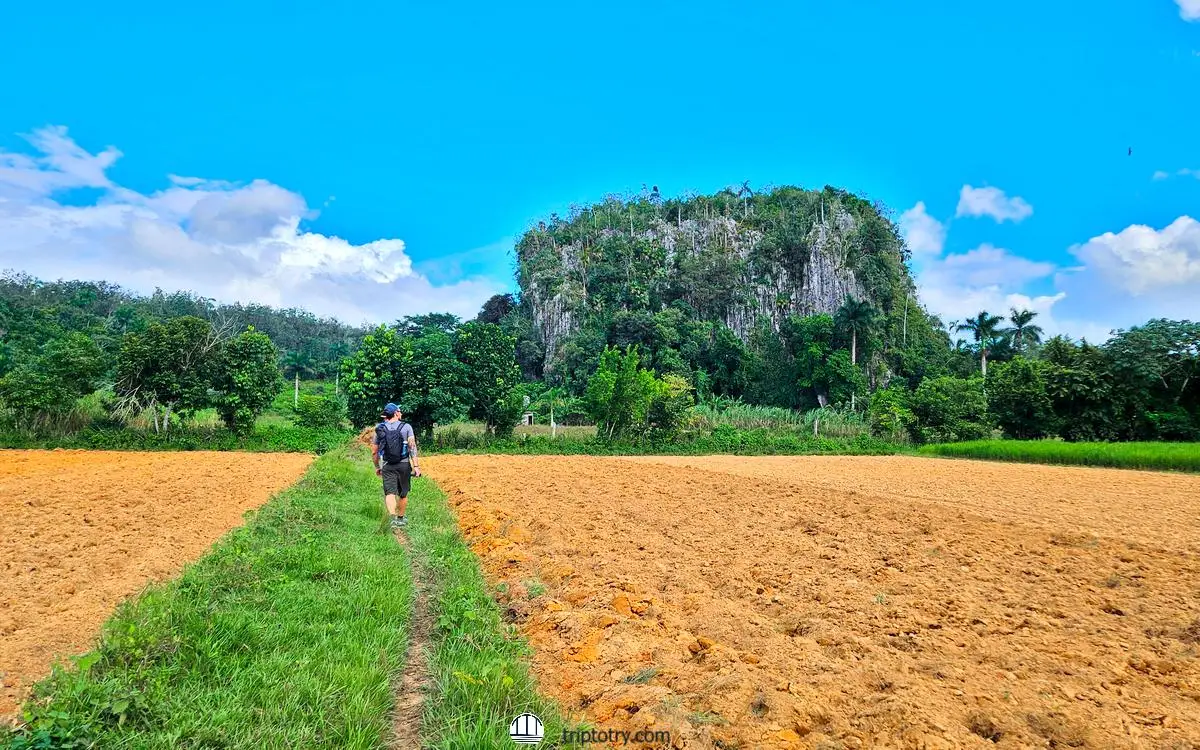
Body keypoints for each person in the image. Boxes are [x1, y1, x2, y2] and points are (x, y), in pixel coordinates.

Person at [372, 402, 421, 529]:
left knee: (390, 493)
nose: (401, 413)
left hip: (388, 465)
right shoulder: (407, 427)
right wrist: (416, 467)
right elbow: (412, 447)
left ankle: (393, 518)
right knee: (403, 493)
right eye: (399, 411)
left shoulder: (380, 429)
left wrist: (377, 467)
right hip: (404, 465)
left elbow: (374, 452)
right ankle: (400, 519)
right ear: (395, 413)